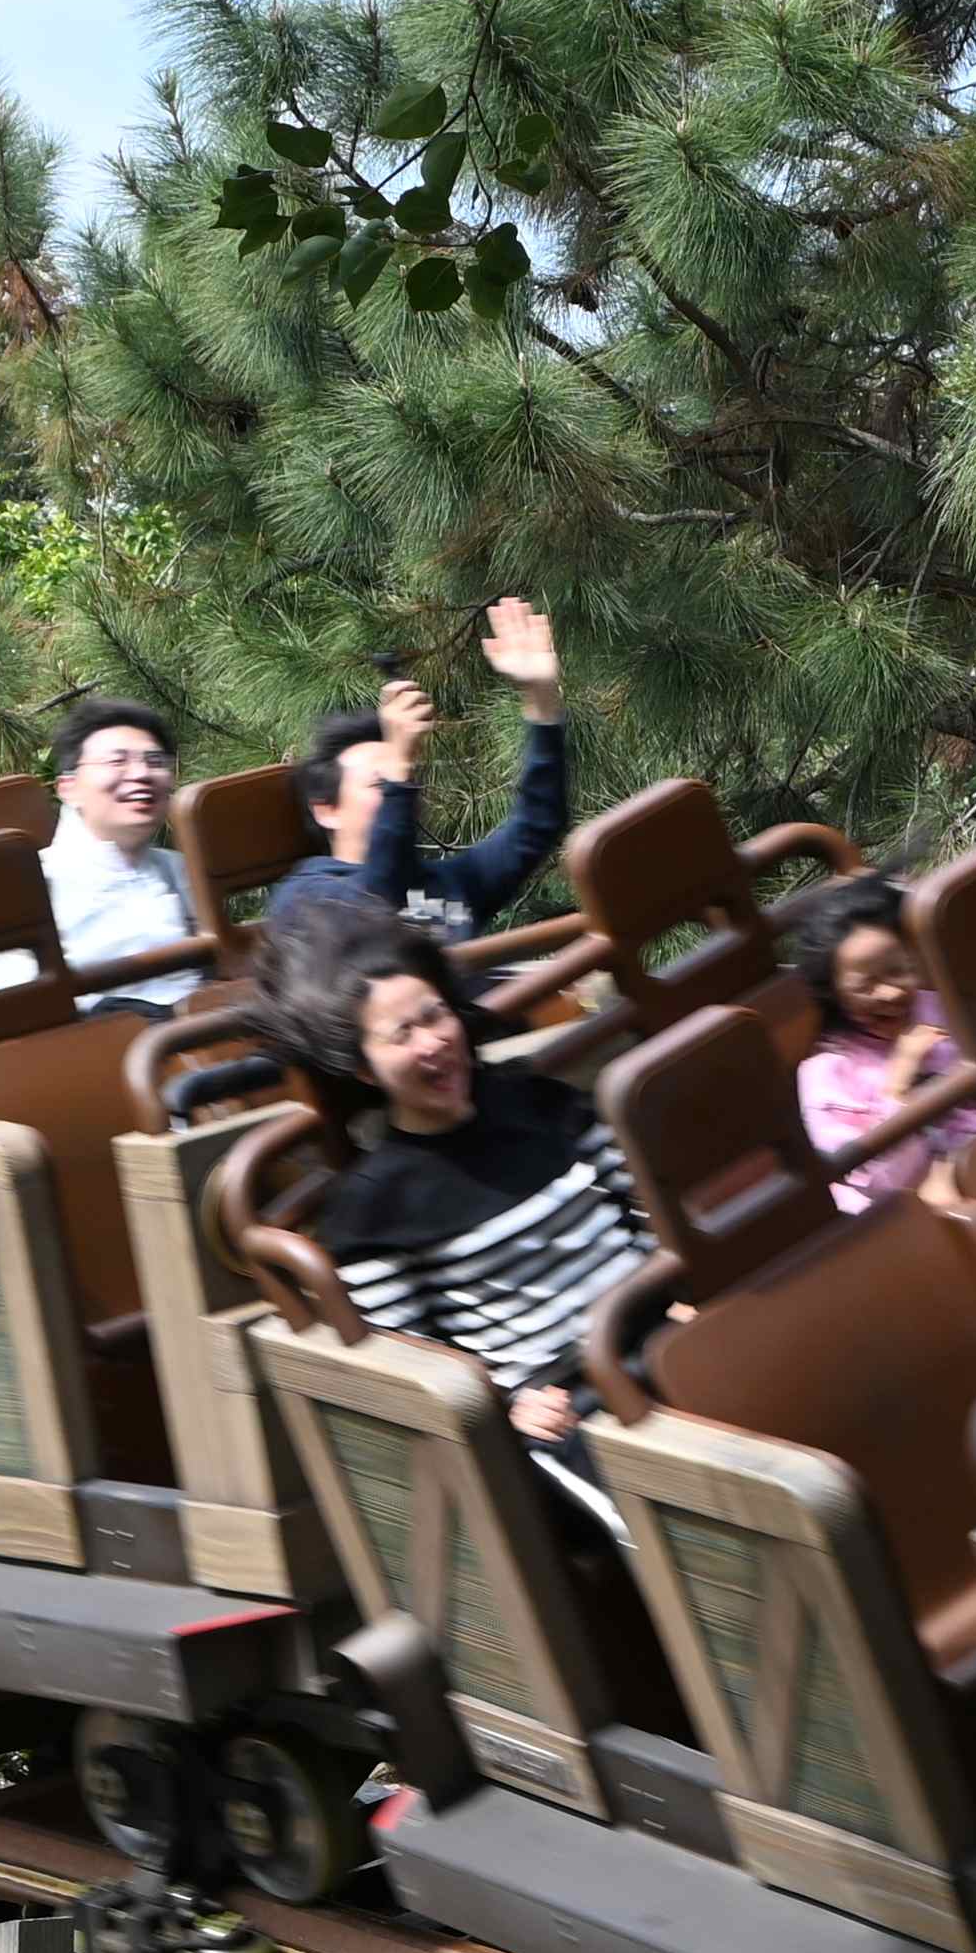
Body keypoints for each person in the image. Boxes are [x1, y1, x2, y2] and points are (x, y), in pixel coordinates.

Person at [273, 901, 653, 1454]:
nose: (432, 1042)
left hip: (660, 1335)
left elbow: (636, 1201)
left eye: (434, 1016)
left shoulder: (537, 1099)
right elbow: (410, 1357)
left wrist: (680, 1291)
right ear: (364, 1068)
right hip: (566, 1406)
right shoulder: (374, 1206)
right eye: (401, 1035)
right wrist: (505, 1404)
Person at [294, 596, 574, 937]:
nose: (402, 792)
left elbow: (537, 824)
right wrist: (399, 762)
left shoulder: (450, 885)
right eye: (381, 783)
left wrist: (541, 697)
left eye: (405, 781)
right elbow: (379, 900)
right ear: (326, 811)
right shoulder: (309, 897)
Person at [783, 877, 976, 1210]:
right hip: (904, 1206)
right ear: (833, 993)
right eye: (865, 986)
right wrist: (898, 1083)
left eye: (897, 971)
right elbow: (874, 1179)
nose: (890, 993)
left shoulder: (939, 1007)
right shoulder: (826, 1074)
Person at [26, 696, 207, 1011]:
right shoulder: (35, 881)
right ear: (68, 788)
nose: (141, 774)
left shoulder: (183, 871)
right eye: (117, 761)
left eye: (154, 761)